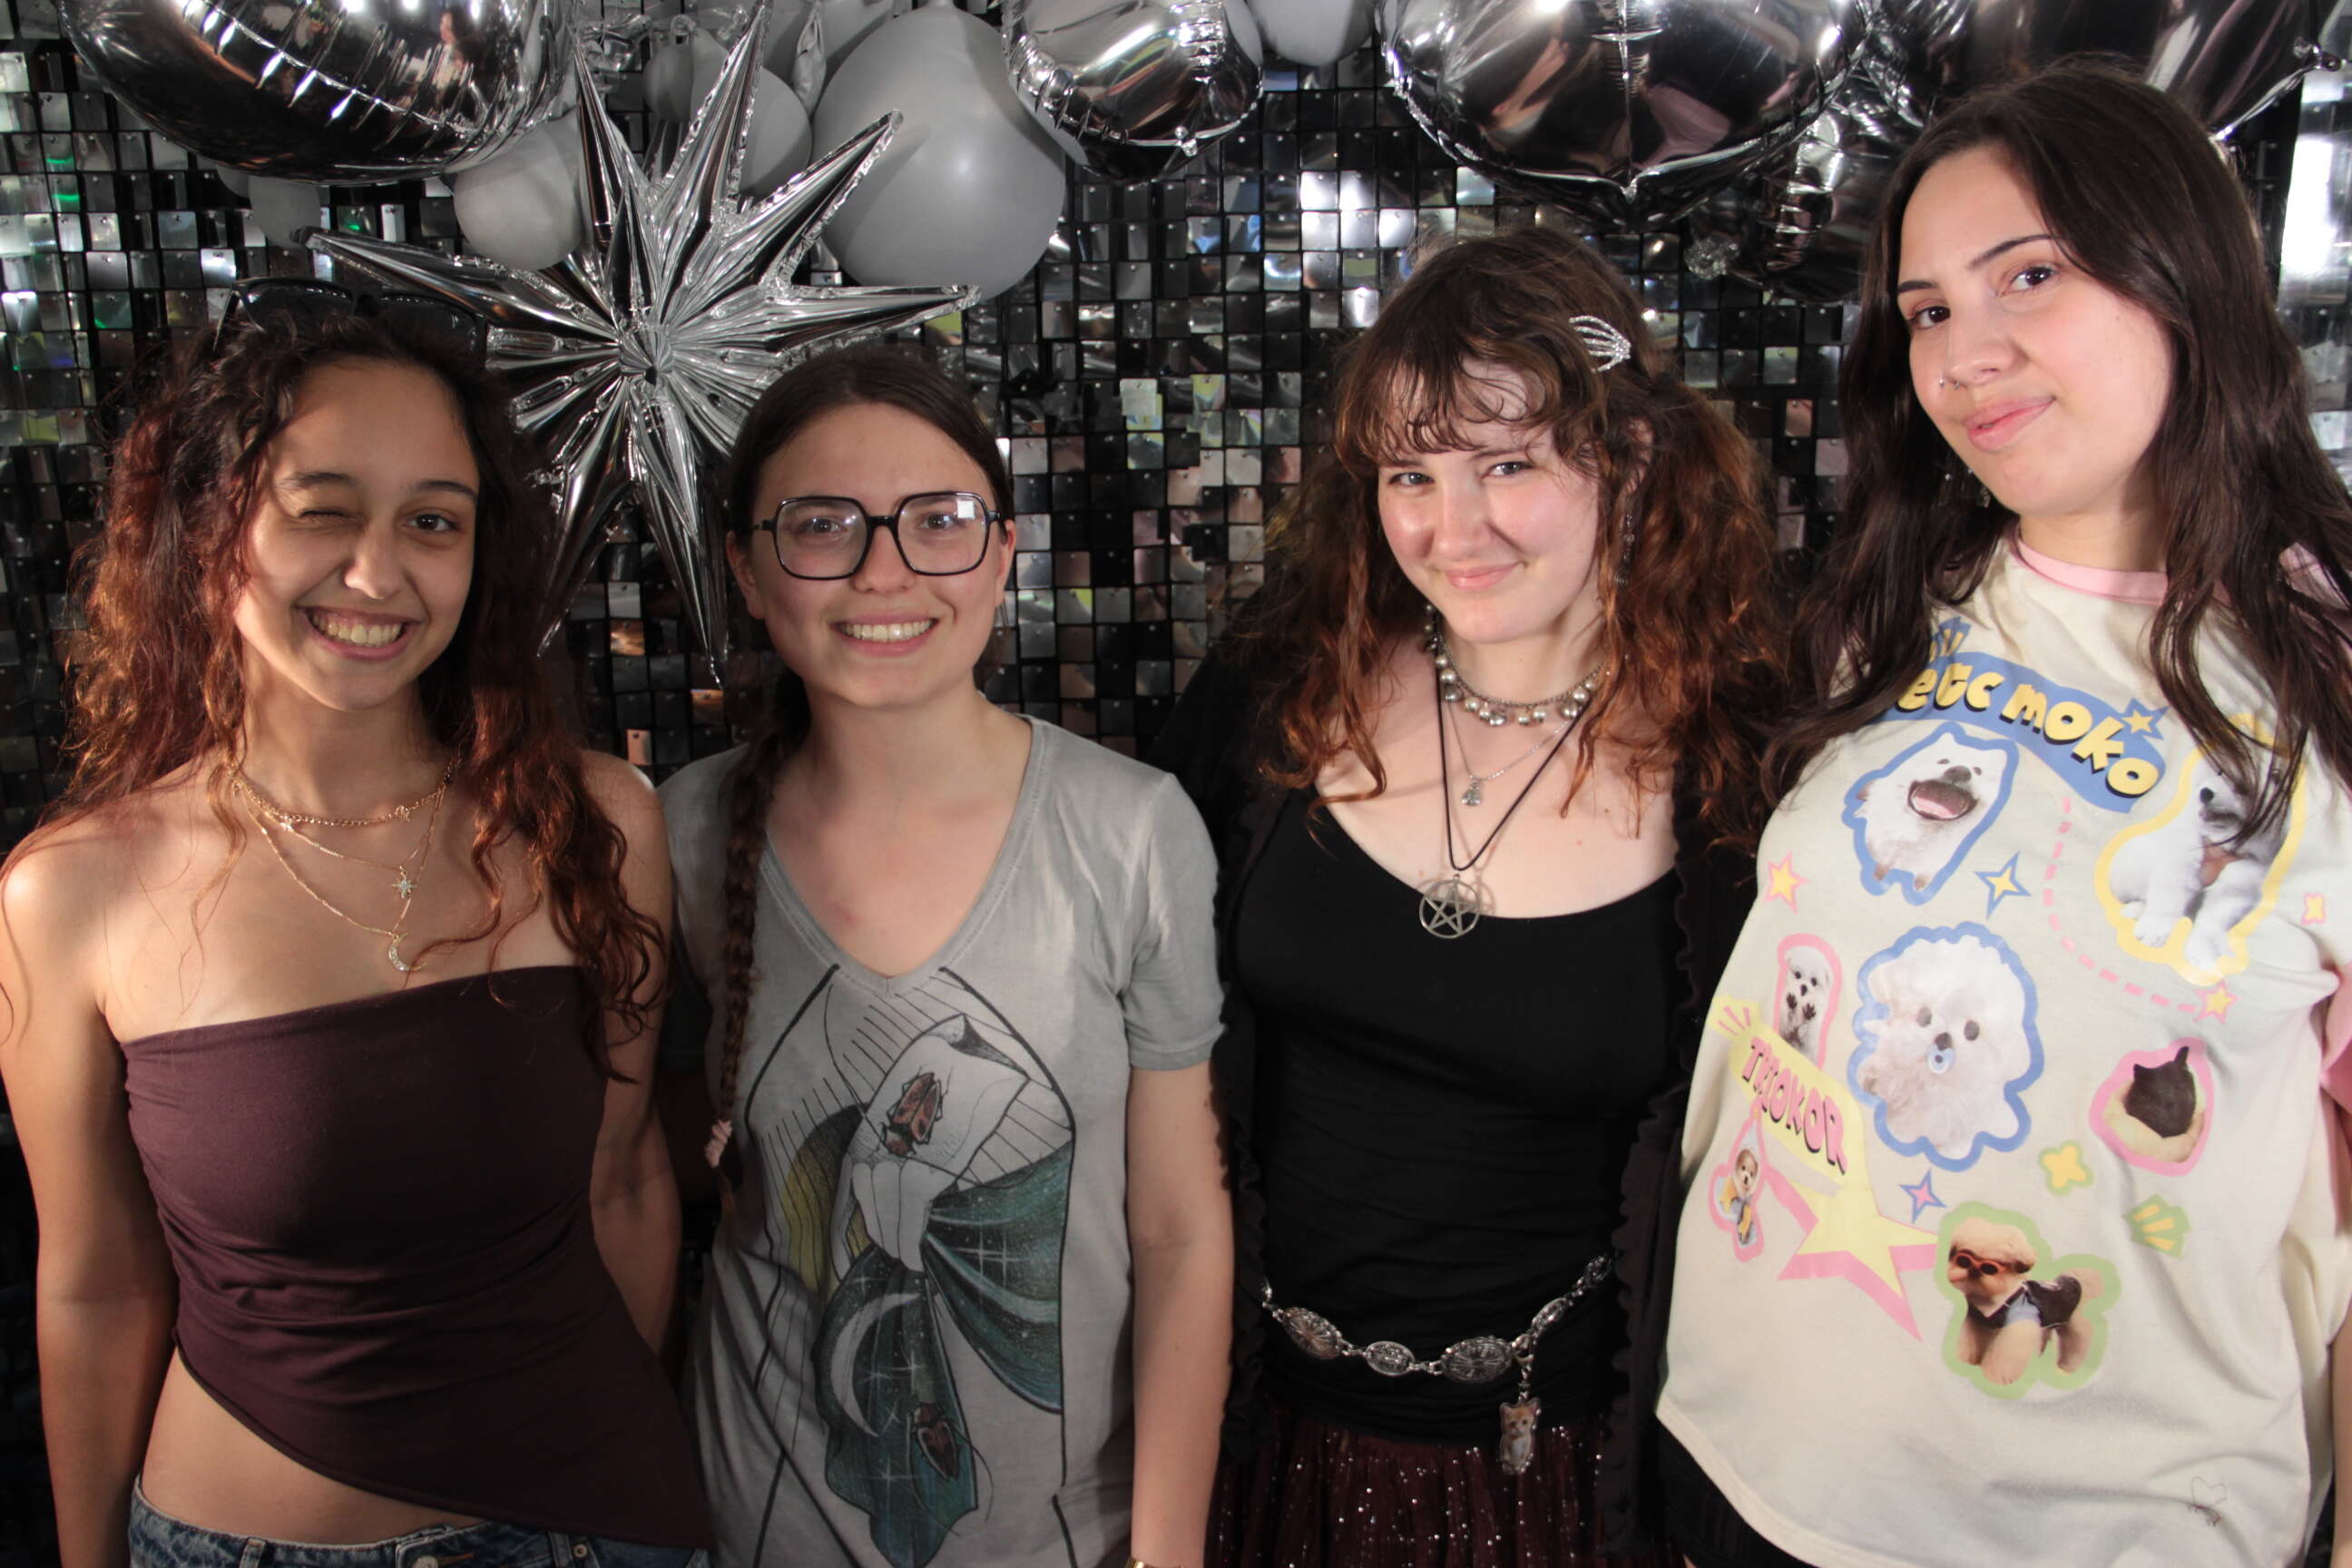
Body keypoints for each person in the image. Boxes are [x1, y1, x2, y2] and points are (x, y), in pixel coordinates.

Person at [1661, 61, 2352, 1567]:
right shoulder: (1890, 610)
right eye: (1926, 311)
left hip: (2113, 1527)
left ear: (2186, 276)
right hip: (1745, 1463)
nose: (1968, 354)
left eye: (2030, 275)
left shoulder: (2324, 681)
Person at [0, 282, 709, 1568]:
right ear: (209, 528)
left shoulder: (596, 821)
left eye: (432, 521)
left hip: (597, 1533)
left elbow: (624, 1180)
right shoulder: (73, 891)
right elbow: (97, 1285)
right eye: (322, 510)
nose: (378, 574)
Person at [1151, 224, 1784, 1566]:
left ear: (1630, 457)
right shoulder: (1276, 687)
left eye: (1509, 464)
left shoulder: (1747, 777)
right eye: (1411, 474)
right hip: (1248, 1433)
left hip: (1553, 1474)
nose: (1455, 529)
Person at [662, 344, 1230, 1568]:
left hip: (1068, 1539)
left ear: (1003, 551)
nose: (885, 571)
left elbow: (1181, 1230)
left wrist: (1167, 1551)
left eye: (940, 521)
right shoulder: (681, 832)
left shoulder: (1132, 831)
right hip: (755, 1529)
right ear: (747, 570)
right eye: (823, 525)